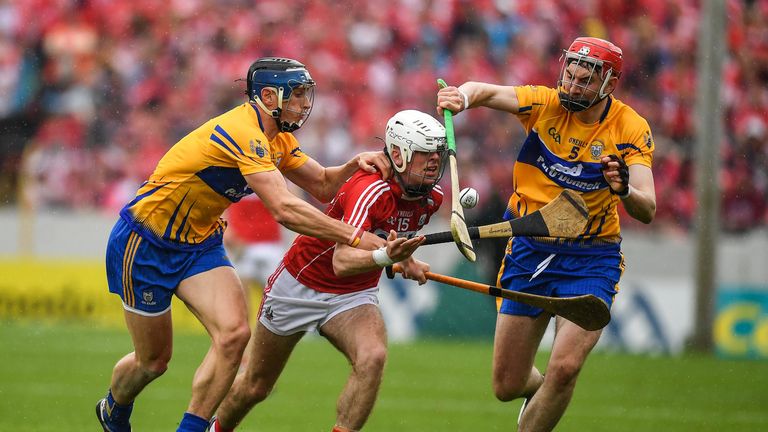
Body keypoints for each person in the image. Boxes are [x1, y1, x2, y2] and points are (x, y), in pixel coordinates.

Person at [95, 57, 396, 432]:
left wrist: (353, 165)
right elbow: (285, 209)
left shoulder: (278, 138)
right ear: (269, 96)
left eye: (306, 94)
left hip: (199, 244)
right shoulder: (243, 132)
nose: (305, 104)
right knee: (153, 362)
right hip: (145, 242)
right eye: (297, 95)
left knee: (235, 335)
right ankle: (114, 409)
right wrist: (354, 235)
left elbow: (321, 183)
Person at [437, 37, 657, 431]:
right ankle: (544, 396)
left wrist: (623, 189)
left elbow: (648, 208)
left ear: (608, 84)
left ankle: (550, 396)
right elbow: (486, 91)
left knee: (566, 367)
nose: (572, 86)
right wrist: (462, 98)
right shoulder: (545, 104)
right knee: (507, 385)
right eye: (570, 75)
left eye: (584, 80)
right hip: (529, 250)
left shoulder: (630, 127)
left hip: (592, 256)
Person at [207, 109, 447, 432]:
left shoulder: (431, 198)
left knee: (372, 357)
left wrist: (404, 259)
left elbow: (384, 242)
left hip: (354, 294)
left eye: (437, 155)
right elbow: (343, 261)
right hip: (300, 283)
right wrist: (389, 258)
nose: (434, 163)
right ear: (401, 155)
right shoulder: (371, 189)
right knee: (256, 385)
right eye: (424, 155)